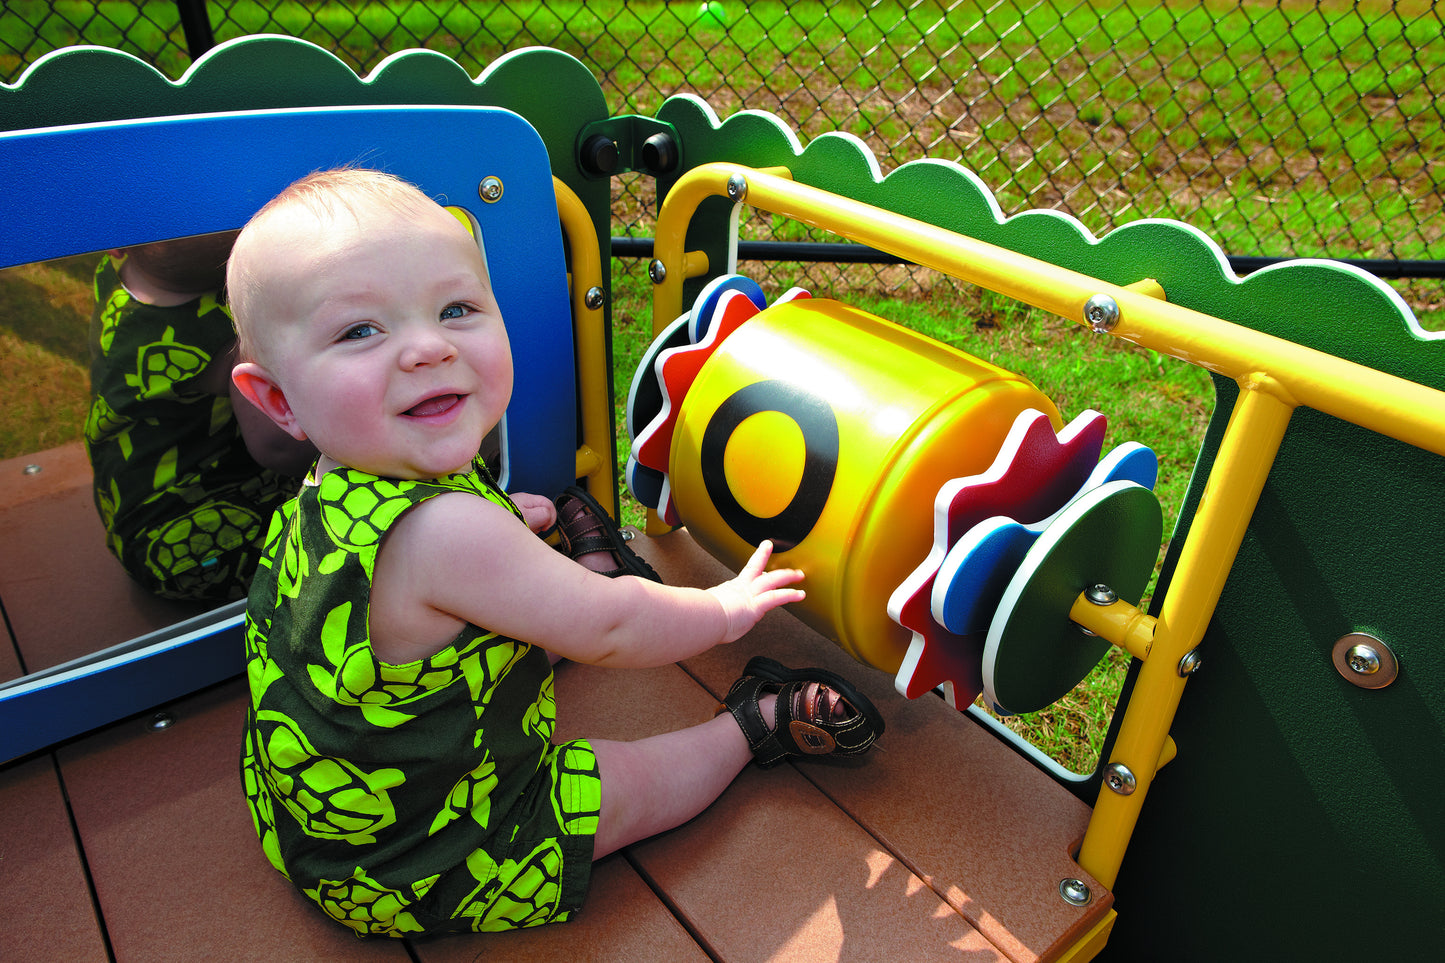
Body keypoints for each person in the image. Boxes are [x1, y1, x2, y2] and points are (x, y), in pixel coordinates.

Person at [226, 168, 885, 938]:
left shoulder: (337, 479)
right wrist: (720, 609)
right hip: (424, 857)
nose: (427, 348)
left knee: (524, 605)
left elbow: (413, 567)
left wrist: (494, 517)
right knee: (624, 782)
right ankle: (750, 726)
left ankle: (563, 583)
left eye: (456, 308)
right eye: (360, 331)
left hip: (326, 814)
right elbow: (612, 628)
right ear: (277, 399)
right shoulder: (445, 535)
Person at [85, 233, 314, 600]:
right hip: (202, 552)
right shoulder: (228, 333)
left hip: (135, 515)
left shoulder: (116, 271)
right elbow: (279, 449)